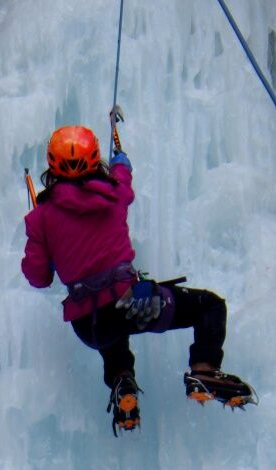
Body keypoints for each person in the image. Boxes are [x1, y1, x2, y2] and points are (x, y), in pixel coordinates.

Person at [21, 125, 254, 433]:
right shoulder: (113, 193)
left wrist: (50, 252)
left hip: (89, 325)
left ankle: (123, 382)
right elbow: (123, 180)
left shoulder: (40, 219)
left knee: (110, 332)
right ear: (95, 160)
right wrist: (121, 160)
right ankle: (204, 369)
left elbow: (38, 278)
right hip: (132, 304)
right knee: (209, 306)